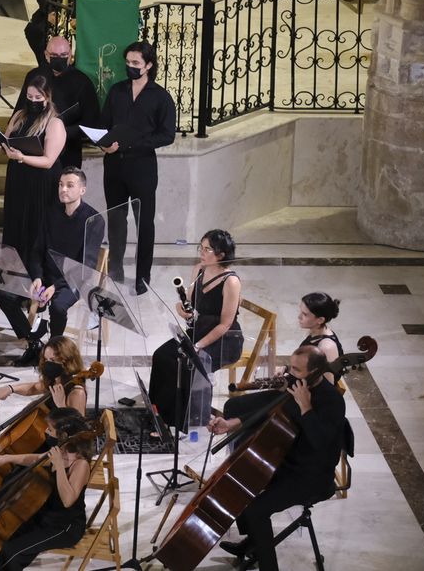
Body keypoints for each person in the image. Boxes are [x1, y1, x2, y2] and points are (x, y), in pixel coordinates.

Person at [209, 347, 348, 571]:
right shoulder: (298, 385)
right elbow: (269, 411)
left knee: (256, 510)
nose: (289, 373)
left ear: (314, 372)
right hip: (289, 463)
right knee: (242, 482)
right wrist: (230, 423)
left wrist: (305, 406)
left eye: (296, 369)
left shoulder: (331, 402)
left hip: (312, 476)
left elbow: (319, 443)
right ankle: (253, 543)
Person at [0, 167, 100, 364]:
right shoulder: (50, 213)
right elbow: (37, 250)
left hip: (73, 279)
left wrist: (54, 287)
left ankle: (54, 352)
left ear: (82, 190)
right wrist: (37, 277)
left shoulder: (94, 220)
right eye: (61, 185)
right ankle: (33, 342)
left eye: (70, 185)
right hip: (44, 275)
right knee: (4, 294)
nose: (63, 190)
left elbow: (86, 266)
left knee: (59, 308)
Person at [100, 41, 177, 292]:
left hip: (142, 167)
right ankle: (116, 269)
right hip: (114, 165)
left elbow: (167, 135)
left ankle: (143, 276)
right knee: (116, 220)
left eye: (136, 63)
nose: (131, 67)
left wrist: (133, 144)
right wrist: (104, 144)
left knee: (144, 223)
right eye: (128, 62)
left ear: (148, 66)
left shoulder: (160, 97)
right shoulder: (117, 91)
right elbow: (104, 125)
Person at [149, 229, 244, 430]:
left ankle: (180, 420)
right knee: (162, 355)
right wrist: (181, 310)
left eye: (207, 249)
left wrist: (199, 345)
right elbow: (188, 303)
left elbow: (226, 324)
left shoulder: (231, 282)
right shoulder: (199, 269)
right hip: (198, 331)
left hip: (224, 340)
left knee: (184, 365)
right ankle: (158, 413)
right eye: (200, 247)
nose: (201, 252)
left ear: (221, 254)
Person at [0, 407, 97, 568]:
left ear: (63, 435)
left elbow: (68, 500)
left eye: (50, 429)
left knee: (13, 551)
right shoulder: (61, 450)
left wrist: (58, 465)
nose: (46, 431)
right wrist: (5, 458)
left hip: (65, 526)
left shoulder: (80, 464)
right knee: (4, 537)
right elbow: (34, 459)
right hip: (46, 515)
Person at [0, 69, 68, 272]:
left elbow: (48, 161)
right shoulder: (20, 115)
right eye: (29, 97)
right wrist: (2, 145)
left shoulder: (54, 122)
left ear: (47, 97)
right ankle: (13, 271)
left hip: (40, 181)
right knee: (15, 222)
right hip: (18, 177)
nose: (33, 101)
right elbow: (8, 138)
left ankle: (35, 274)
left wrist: (21, 157)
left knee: (35, 227)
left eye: (38, 97)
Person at [41, 36, 102, 172]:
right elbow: (21, 111)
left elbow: (91, 122)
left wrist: (60, 132)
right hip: (37, 149)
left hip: (68, 151)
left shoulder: (82, 82)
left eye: (63, 55)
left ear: (70, 56)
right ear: (46, 55)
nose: (59, 58)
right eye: (54, 55)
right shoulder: (35, 76)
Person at [0, 336, 91, 415]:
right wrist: (10, 388)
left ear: (66, 360)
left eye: (52, 360)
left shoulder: (77, 392)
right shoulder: (57, 378)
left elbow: (78, 432)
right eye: (46, 359)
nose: (48, 364)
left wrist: (61, 405)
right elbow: (35, 388)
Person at [297, 292, 344, 368]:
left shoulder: (326, 347)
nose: (299, 317)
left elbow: (329, 380)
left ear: (320, 320)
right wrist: (286, 368)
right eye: (300, 311)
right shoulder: (315, 331)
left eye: (305, 314)